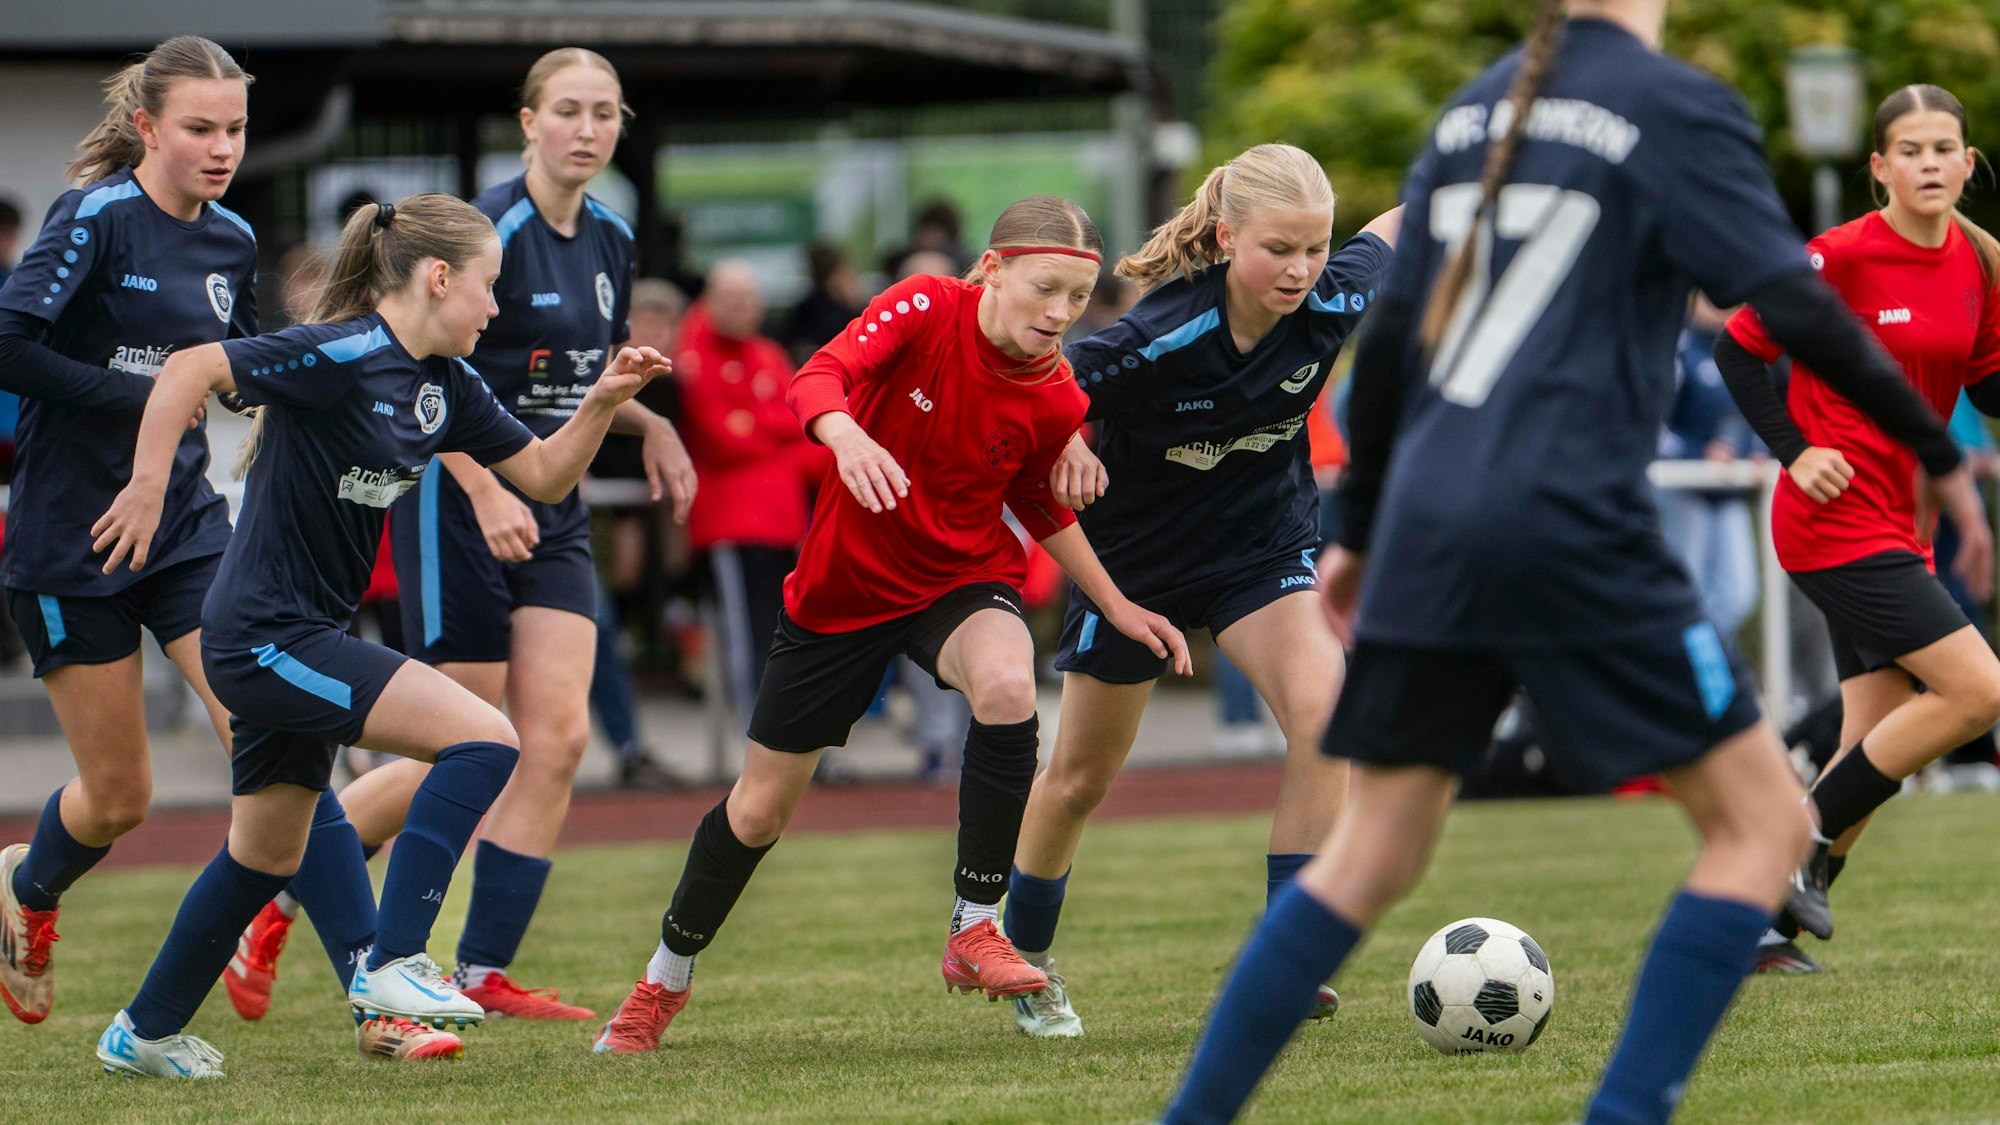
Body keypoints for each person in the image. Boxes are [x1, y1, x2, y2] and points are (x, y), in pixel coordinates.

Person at [1155, 1, 1980, 1120]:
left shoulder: (1471, 110)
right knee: (1763, 829)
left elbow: (1393, 338)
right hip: (1570, 519)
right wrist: (1934, 446)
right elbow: (1783, 302)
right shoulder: (1677, 105)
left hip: (1433, 525)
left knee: (1368, 856)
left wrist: (1356, 533)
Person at [86, 192, 672, 1077]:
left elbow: (547, 478)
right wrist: (145, 485)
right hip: (261, 639)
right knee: (486, 738)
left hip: (298, 634)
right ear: (438, 278)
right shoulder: (342, 349)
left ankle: (143, 1030)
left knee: (263, 855)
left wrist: (600, 402)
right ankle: (395, 963)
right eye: (487, 287)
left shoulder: (446, 383)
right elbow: (185, 370)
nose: (495, 308)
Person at [590, 195, 1190, 1055]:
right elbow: (817, 377)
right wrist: (846, 437)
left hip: (961, 576)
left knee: (1011, 684)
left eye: (1073, 298)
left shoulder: (1057, 390)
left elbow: (1031, 498)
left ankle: (975, 927)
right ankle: (663, 980)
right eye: (1043, 289)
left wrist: (1119, 601)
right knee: (757, 813)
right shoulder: (925, 304)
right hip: (841, 594)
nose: (1059, 314)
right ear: (991, 269)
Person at [229, 48, 699, 1024]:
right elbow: (424, 386)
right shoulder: (489, 233)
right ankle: (275, 895)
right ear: (527, 122)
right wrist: (485, 489)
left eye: (604, 112)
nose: (587, 128)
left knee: (557, 740)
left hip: (551, 501)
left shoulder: (610, 235)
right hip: (458, 500)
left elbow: (573, 385)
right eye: (566, 109)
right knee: (465, 734)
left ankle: (480, 969)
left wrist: (646, 421)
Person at [0, 37, 369, 1038]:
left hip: (191, 530)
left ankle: (377, 989)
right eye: (200, 129)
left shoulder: (234, 239)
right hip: (69, 536)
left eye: (236, 130)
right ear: (145, 129)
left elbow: (233, 371)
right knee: (120, 799)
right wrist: (149, 396)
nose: (221, 148)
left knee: (281, 737)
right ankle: (28, 888)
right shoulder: (94, 217)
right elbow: (9, 345)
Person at [1002, 143, 1400, 1038]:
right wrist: (1061, 434)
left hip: (1262, 549)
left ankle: (1288, 959)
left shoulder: (1338, 295)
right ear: (1226, 238)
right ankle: (1022, 959)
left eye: (1314, 247)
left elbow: (1403, 226)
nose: (1300, 270)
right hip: (1135, 565)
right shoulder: (1158, 334)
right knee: (1077, 780)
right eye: (1278, 249)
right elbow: (1028, 380)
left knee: (1326, 712)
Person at [1714, 82, 2000, 974]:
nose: (1928, 164)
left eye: (1942, 148)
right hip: (1832, 519)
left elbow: (1988, 393)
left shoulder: (1980, 266)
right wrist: (1796, 450)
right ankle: (1787, 842)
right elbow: (1738, 348)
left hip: (1900, 522)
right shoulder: (1835, 257)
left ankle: (1761, 930)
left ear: (1966, 161)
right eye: (1909, 150)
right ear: (1879, 167)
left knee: (1868, 741)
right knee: (1978, 689)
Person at [675, 259, 823, 719]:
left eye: (750, 298)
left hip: (782, 524)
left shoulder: (766, 353)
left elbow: (804, 428)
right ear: (711, 301)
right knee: (749, 640)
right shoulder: (694, 353)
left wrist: (762, 426)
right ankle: (757, 742)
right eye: (734, 298)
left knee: (784, 637)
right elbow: (723, 438)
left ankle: (782, 737)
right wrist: (776, 431)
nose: (746, 308)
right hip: (732, 525)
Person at [1657, 293, 1761, 638]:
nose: (1722, 302)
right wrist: (1699, 453)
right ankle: (1688, 677)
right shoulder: (1677, 347)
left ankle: (1705, 673)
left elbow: (1748, 417)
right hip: (1681, 487)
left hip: (1726, 489)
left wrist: (1754, 450)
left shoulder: (1743, 349)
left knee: (1738, 594)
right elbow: (1654, 426)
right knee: (1687, 592)